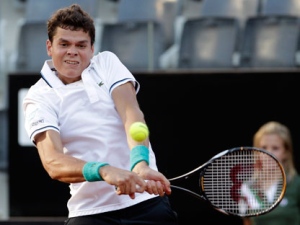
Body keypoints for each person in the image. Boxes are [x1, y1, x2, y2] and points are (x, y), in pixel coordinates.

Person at [22, 4, 178, 225]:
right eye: (64, 44)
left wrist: (140, 164)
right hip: (89, 212)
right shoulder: (38, 97)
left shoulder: (107, 63)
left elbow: (131, 115)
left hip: (146, 203)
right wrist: (103, 170)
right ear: (49, 46)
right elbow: (53, 162)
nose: (72, 51)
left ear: (92, 48)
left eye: (81, 45)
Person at [243, 121, 300, 225]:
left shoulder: (296, 184)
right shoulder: (247, 187)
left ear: (286, 152)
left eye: (275, 148)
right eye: (264, 148)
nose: (268, 153)